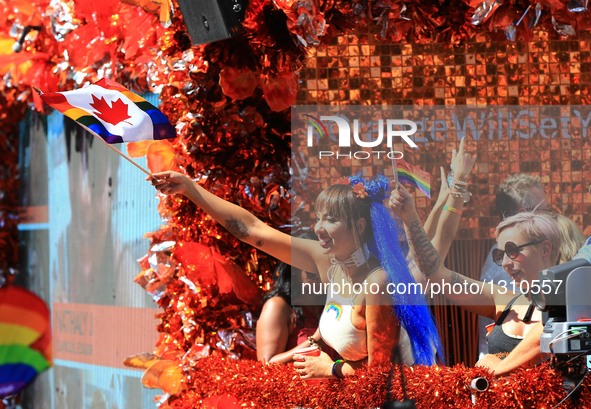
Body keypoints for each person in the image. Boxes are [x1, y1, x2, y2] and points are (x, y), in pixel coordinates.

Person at [149, 171, 443, 379]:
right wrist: (189, 189)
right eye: (318, 218)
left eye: (331, 219)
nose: (318, 228)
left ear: (360, 225)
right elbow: (252, 231)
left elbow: (381, 374)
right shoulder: (329, 262)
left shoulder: (377, 283)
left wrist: (330, 369)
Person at [390, 185, 562, 375]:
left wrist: (492, 368)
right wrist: (410, 218)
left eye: (512, 251)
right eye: (500, 254)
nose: (505, 263)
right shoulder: (502, 300)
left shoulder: (572, 305)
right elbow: (436, 273)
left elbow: (542, 340)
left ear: (545, 249)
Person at [477, 174, 549, 358]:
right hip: (508, 376)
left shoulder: (522, 257)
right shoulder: (510, 266)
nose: (551, 217)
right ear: (525, 213)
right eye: (545, 211)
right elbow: (533, 328)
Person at [256, 260, 324, 363]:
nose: (316, 270)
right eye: (310, 265)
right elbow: (267, 363)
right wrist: (316, 339)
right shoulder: (278, 306)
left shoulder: (337, 305)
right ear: (295, 270)